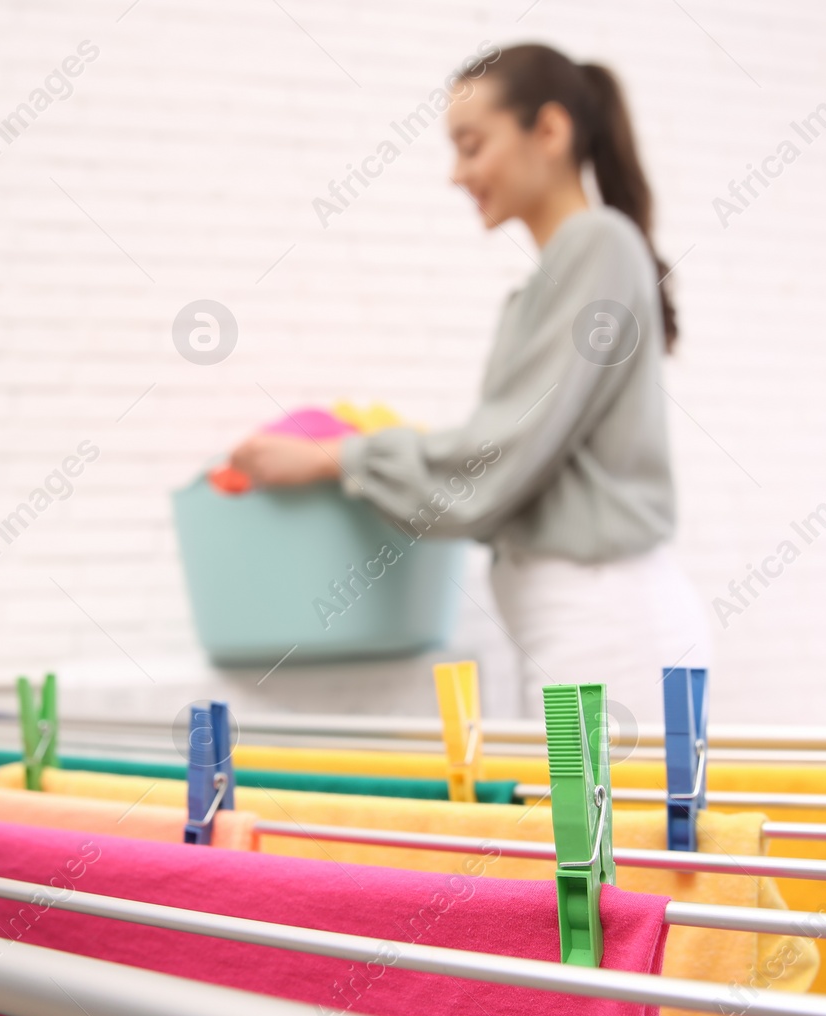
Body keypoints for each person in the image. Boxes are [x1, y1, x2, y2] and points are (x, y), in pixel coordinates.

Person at [228, 43, 709, 734]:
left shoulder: (598, 246)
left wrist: (337, 458)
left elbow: (498, 457)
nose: (457, 174)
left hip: (609, 626)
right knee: (580, 837)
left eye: (472, 145)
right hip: (580, 626)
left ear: (548, 131)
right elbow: (503, 456)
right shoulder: (544, 287)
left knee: (602, 842)